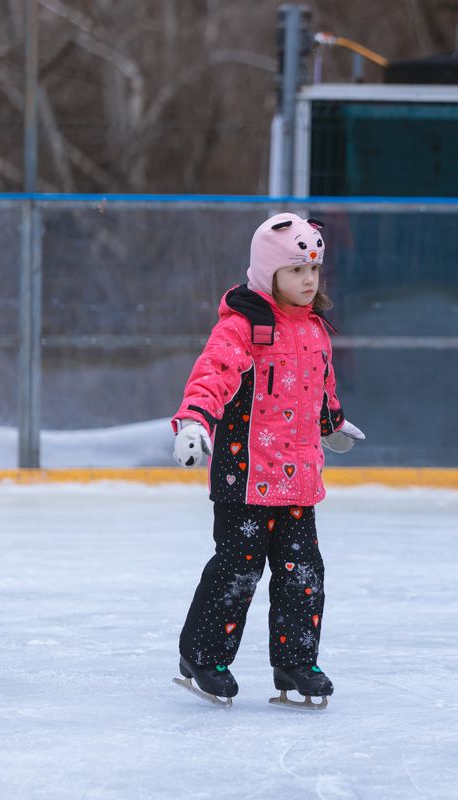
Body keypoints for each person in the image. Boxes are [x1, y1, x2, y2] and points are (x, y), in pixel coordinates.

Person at [170, 212, 364, 708]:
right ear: (268, 272)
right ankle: (204, 655)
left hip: (299, 482)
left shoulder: (316, 330)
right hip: (246, 476)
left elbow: (320, 388)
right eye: (296, 270)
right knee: (238, 570)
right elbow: (211, 376)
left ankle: (296, 662)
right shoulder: (244, 328)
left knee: (304, 574)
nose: (307, 280)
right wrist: (194, 421)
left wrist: (333, 424)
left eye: (314, 270)